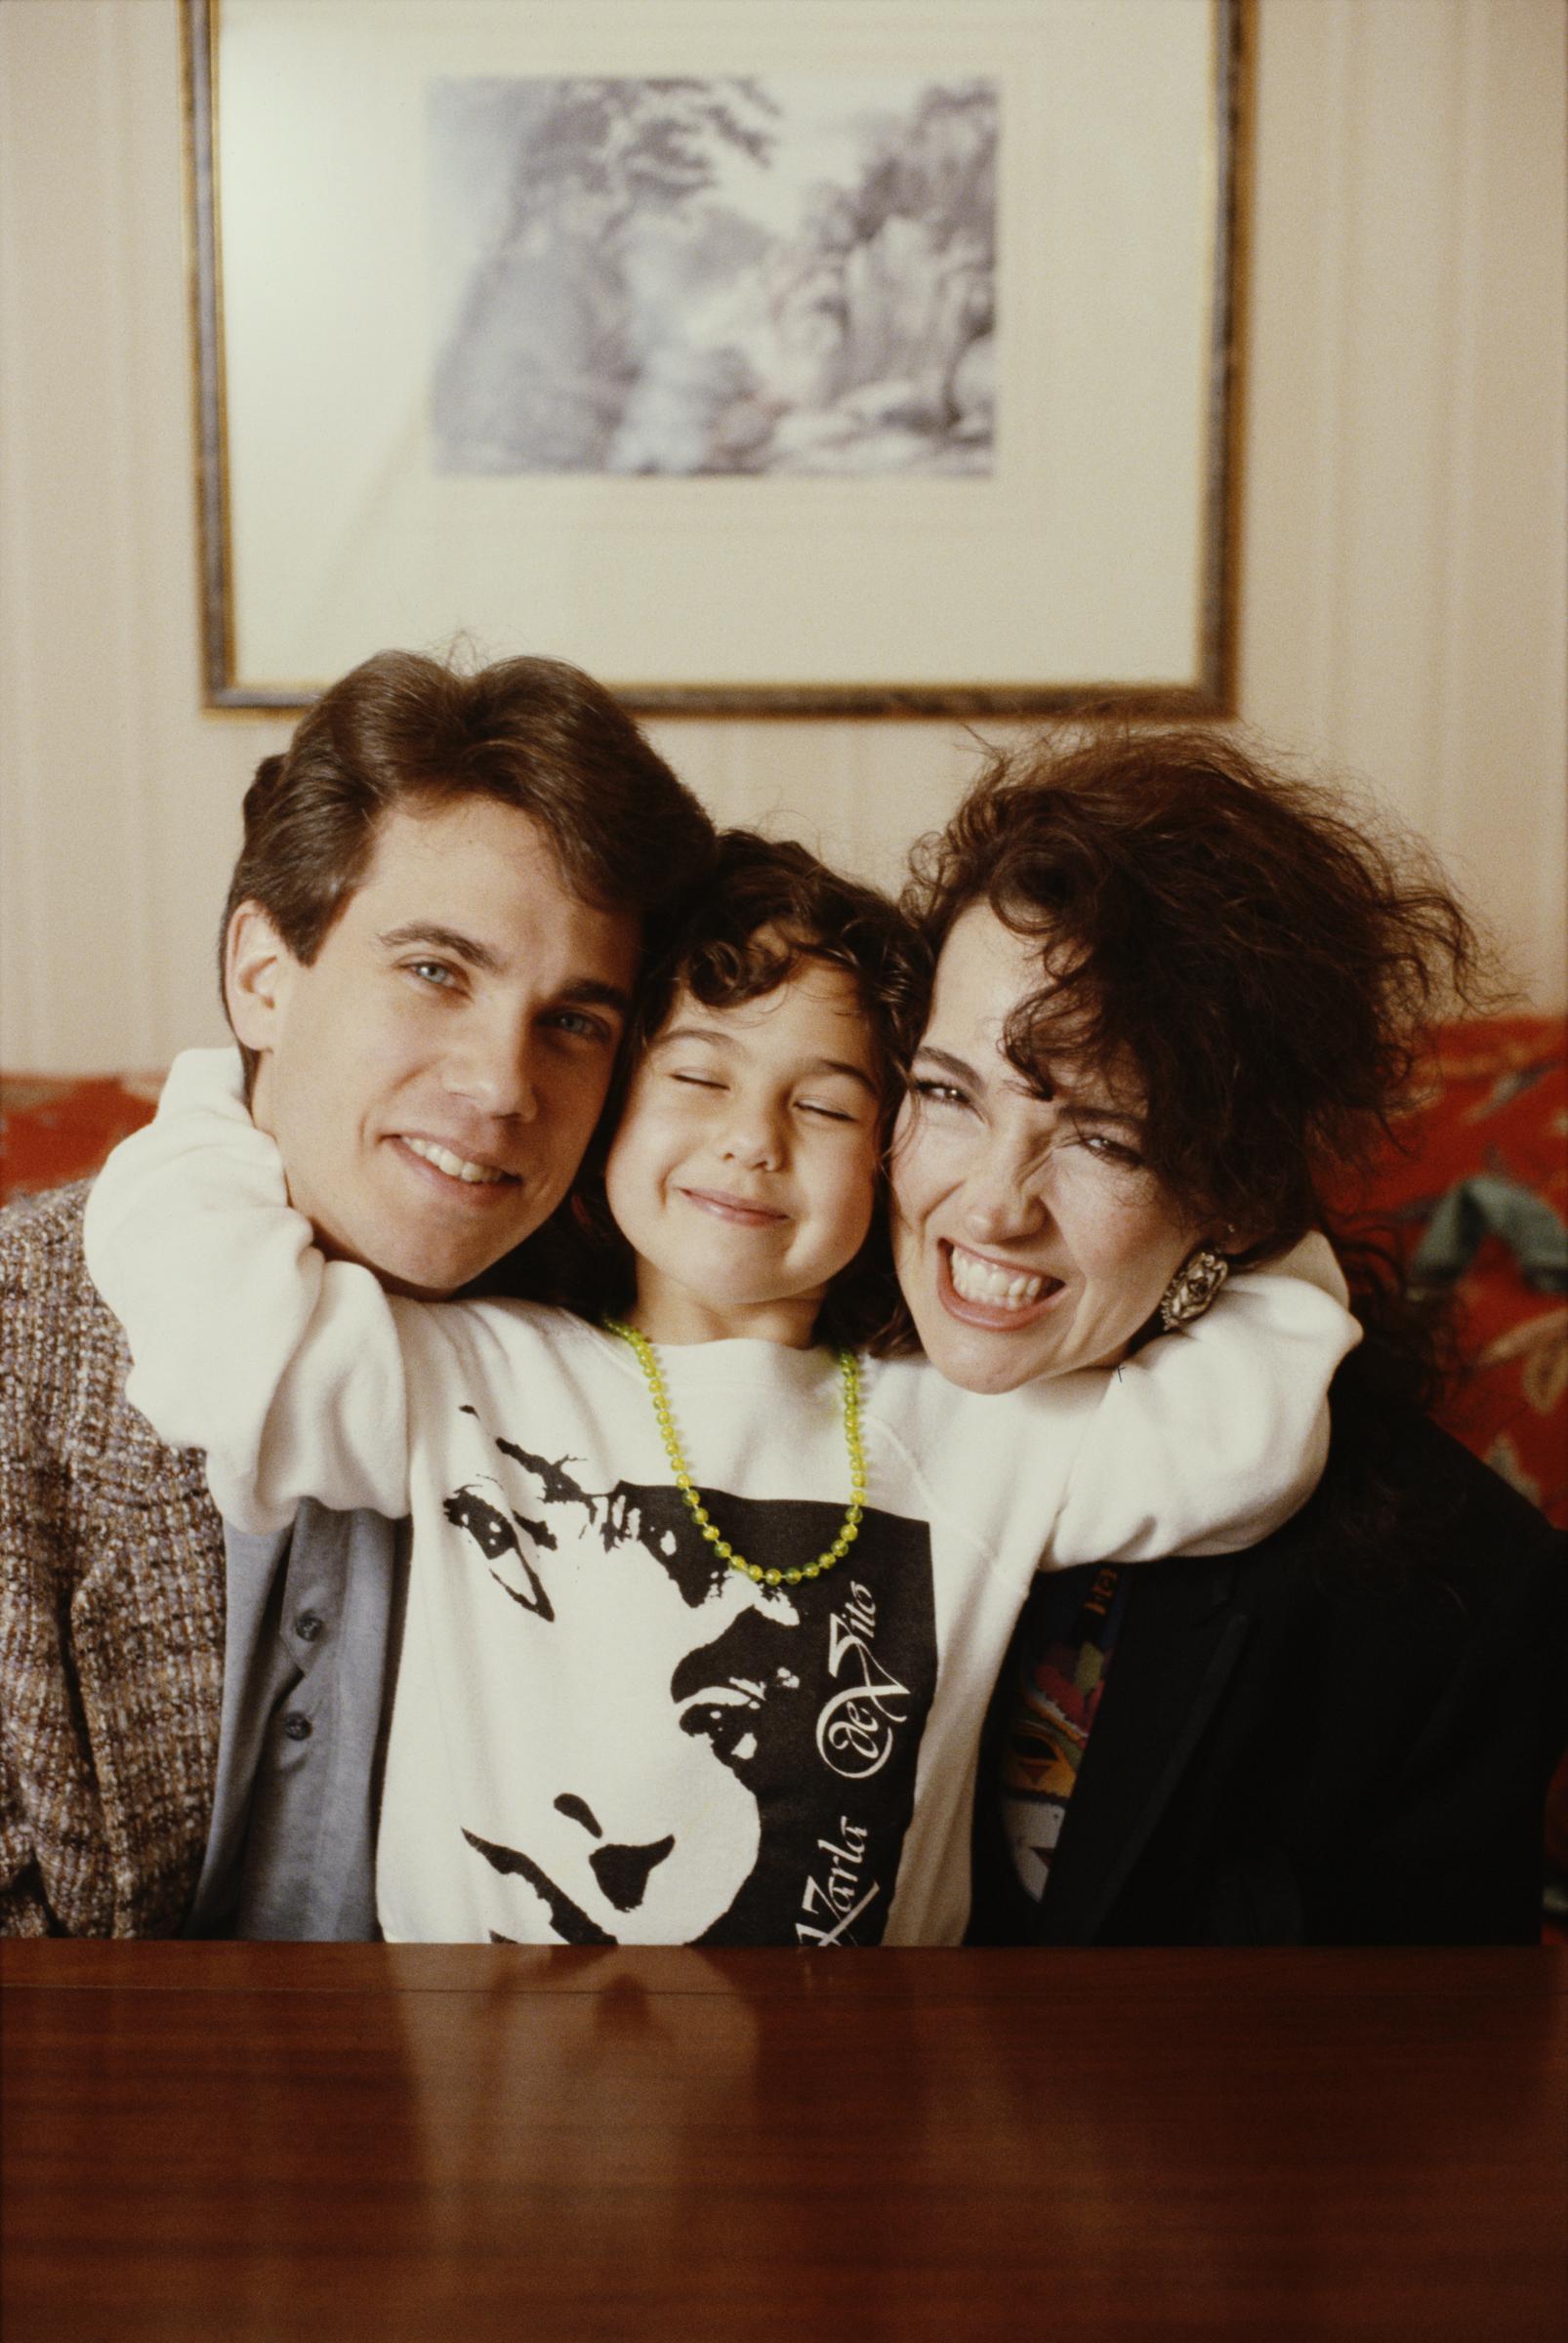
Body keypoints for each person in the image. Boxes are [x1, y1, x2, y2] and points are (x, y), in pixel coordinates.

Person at [84, 831, 1356, 1947]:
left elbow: (1246, 1438)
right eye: (697, 1077)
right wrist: (226, 1077)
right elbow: (219, 1333)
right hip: (460, 2071)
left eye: (826, 1102)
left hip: (844, 2094)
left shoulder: (976, 1430)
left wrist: (1239, 1190)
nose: (753, 1138)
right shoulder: (467, 1372)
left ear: (897, 1152)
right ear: (607, 1113)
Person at [0, 647, 716, 1937]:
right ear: (262, 976)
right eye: (437, 972)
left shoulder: (653, 1327)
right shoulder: (22, 1353)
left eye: (574, 1021)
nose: (503, 1086)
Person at [887, 726, 1568, 1944]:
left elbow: (1426, 2090)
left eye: (1102, 1139)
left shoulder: (1457, 1603)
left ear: (1238, 1190)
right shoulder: (745, 1357)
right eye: (947, 1093)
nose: (990, 1205)